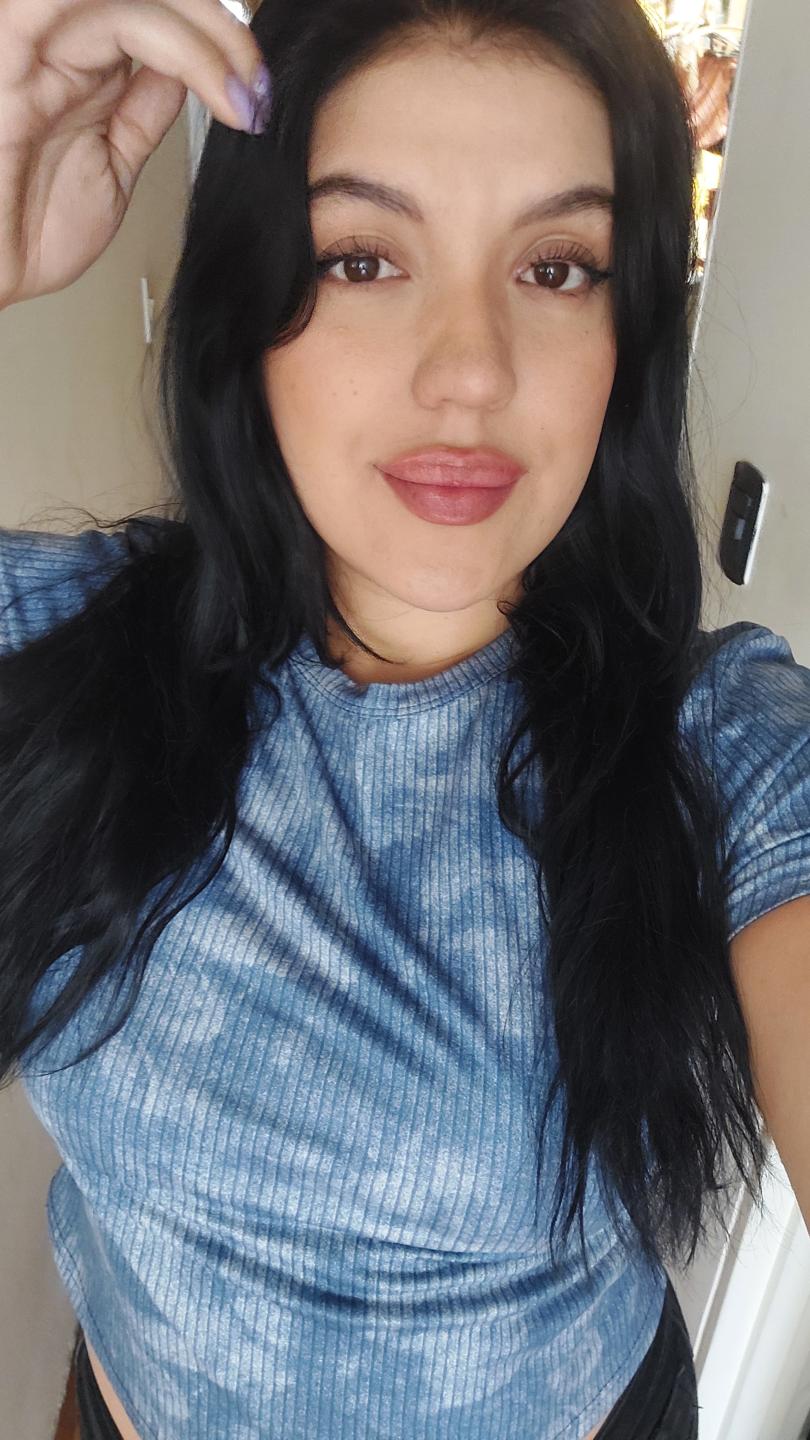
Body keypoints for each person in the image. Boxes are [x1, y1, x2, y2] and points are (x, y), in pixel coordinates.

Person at [0, 2, 808, 1439]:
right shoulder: (52, 641)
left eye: (555, 268)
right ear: (249, 298)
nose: (470, 370)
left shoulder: (716, 745)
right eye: (361, 258)